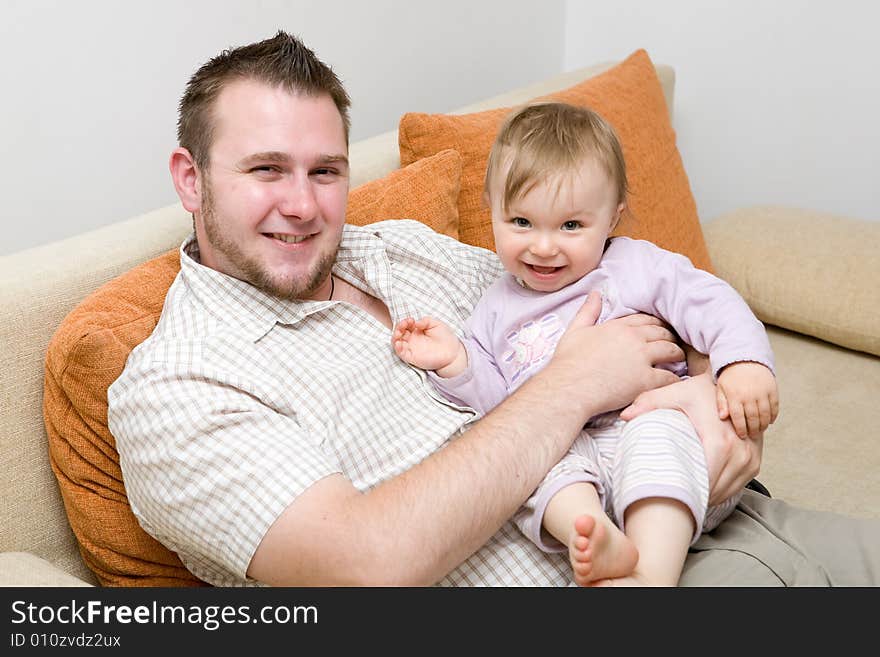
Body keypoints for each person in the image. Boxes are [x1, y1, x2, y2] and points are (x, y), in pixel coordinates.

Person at [108, 30, 879, 587]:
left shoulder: (398, 248)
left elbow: (587, 295)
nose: (304, 205)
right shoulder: (178, 387)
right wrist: (579, 383)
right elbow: (364, 568)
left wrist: (713, 394)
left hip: (703, 509)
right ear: (190, 178)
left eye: (327, 170)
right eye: (266, 169)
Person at [391, 102, 778, 586]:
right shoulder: (493, 307)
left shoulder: (632, 265)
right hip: (574, 454)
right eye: (521, 222)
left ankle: (651, 575)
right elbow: (500, 405)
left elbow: (713, 302)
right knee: (529, 468)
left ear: (612, 219)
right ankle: (595, 535)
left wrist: (742, 364)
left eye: (571, 226)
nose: (544, 246)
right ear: (491, 208)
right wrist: (457, 363)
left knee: (656, 432)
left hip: (661, 448)